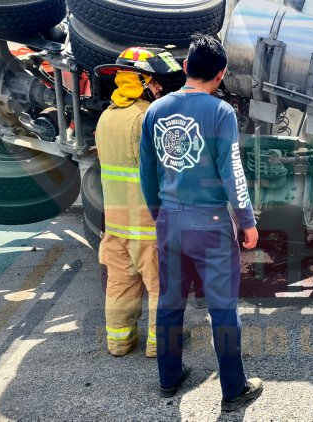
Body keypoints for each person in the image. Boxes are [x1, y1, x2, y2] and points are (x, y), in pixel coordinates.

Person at [139, 35, 263, 411]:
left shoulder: (155, 111)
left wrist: (159, 214)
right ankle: (233, 389)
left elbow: (147, 174)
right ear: (220, 74)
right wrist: (247, 221)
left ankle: (168, 377)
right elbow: (233, 172)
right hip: (209, 223)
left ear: (187, 68)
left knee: (170, 303)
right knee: (222, 308)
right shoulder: (220, 113)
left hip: (170, 220)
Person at [93, 47, 182, 358]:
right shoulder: (149, 118)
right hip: (148, 224)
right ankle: (160, 346)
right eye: (155, 83)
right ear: (142, 81)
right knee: (162, 288)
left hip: (115, 223)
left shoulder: (105, 118)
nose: (159, 88)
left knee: (120, 286)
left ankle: (119, 342)